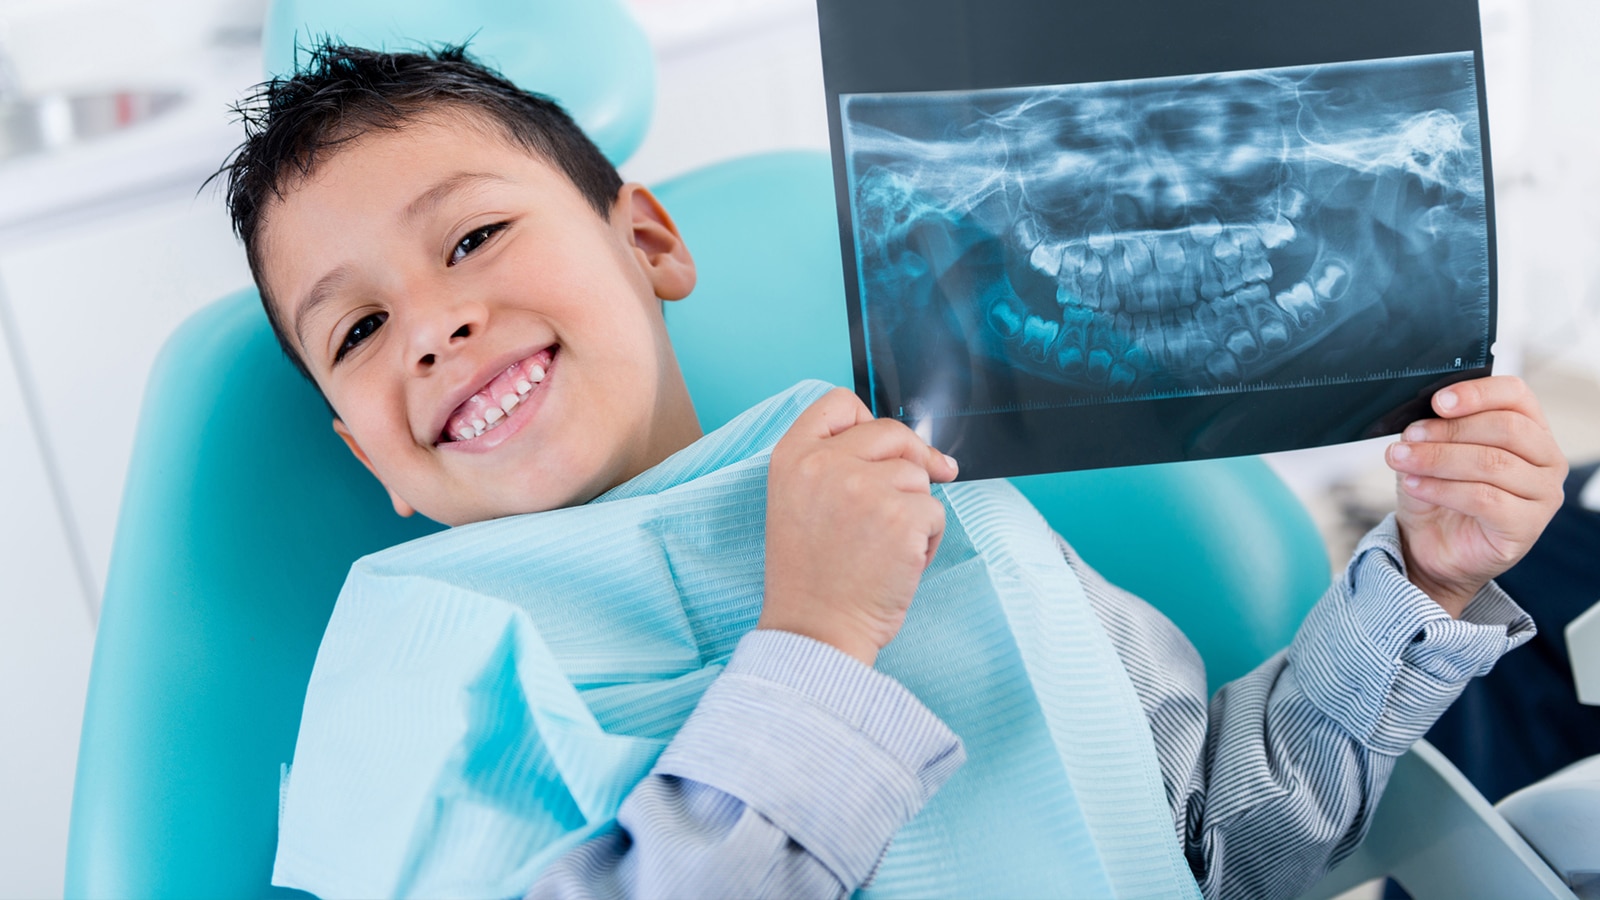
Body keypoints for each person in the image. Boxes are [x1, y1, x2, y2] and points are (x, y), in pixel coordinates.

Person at [218, 43, 1568, 899]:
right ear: (366, 458)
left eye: (472, 241)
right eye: (359, 328)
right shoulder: (416, 663)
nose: (435, 327)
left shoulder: (908, 483)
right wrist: (815, 645)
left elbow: (1217, 846)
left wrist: (1425, 583)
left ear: (650, 242)